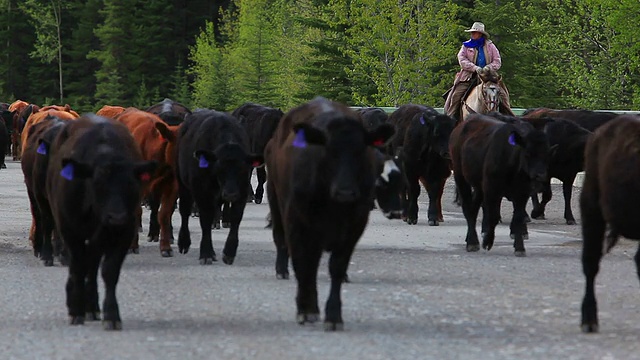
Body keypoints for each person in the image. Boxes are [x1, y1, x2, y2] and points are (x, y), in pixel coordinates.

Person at [444, 22, 514, 121]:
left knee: (503, 95)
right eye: (472, 32)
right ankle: (451, 119)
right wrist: (475, 68)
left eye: (474, 32)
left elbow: (497, 61)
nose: (472, 34)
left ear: (480, 34)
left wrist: (488, 68)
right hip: (469, 76)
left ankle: (510, 119)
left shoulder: (490, 46)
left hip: (488, 77)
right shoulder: (466, 46)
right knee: (455, 95)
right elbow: (461, 59)